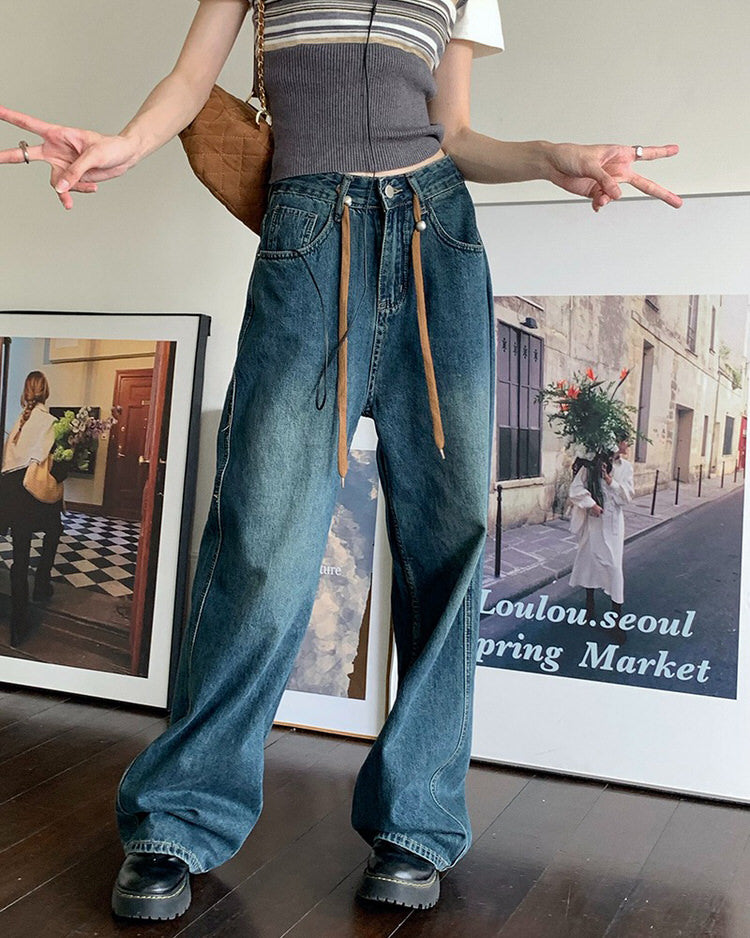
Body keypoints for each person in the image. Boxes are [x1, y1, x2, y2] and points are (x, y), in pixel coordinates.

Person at [0, 0, 682, 921]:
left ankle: (416, 822)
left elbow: (455, 134)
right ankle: (179, 816)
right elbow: (193, 78)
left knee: (447, 544)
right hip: (310, 236)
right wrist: (128, 142)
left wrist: (550, 156)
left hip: (437, 238)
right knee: (262, 537)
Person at [0, 370, 65, 645]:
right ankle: (40, 585)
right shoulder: (49, 422)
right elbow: (43, 461)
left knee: (19, 556)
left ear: (26, 392)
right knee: (55, 529)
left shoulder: (19, 421)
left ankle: (18, 625)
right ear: (45, 391)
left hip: (8, 492)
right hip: (30, 491)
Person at [569, 436, 636, 632]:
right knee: (590, 562)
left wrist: (610, 481)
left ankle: (616, 619)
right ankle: (589, 607)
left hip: (613, 524)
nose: (628, 444)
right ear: (614, 442)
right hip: (594, 523)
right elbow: (575, 489)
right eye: (625, 440)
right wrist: (591, 504)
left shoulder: (626, 468)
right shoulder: (591, 464)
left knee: (614, 567)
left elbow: (627, 497)